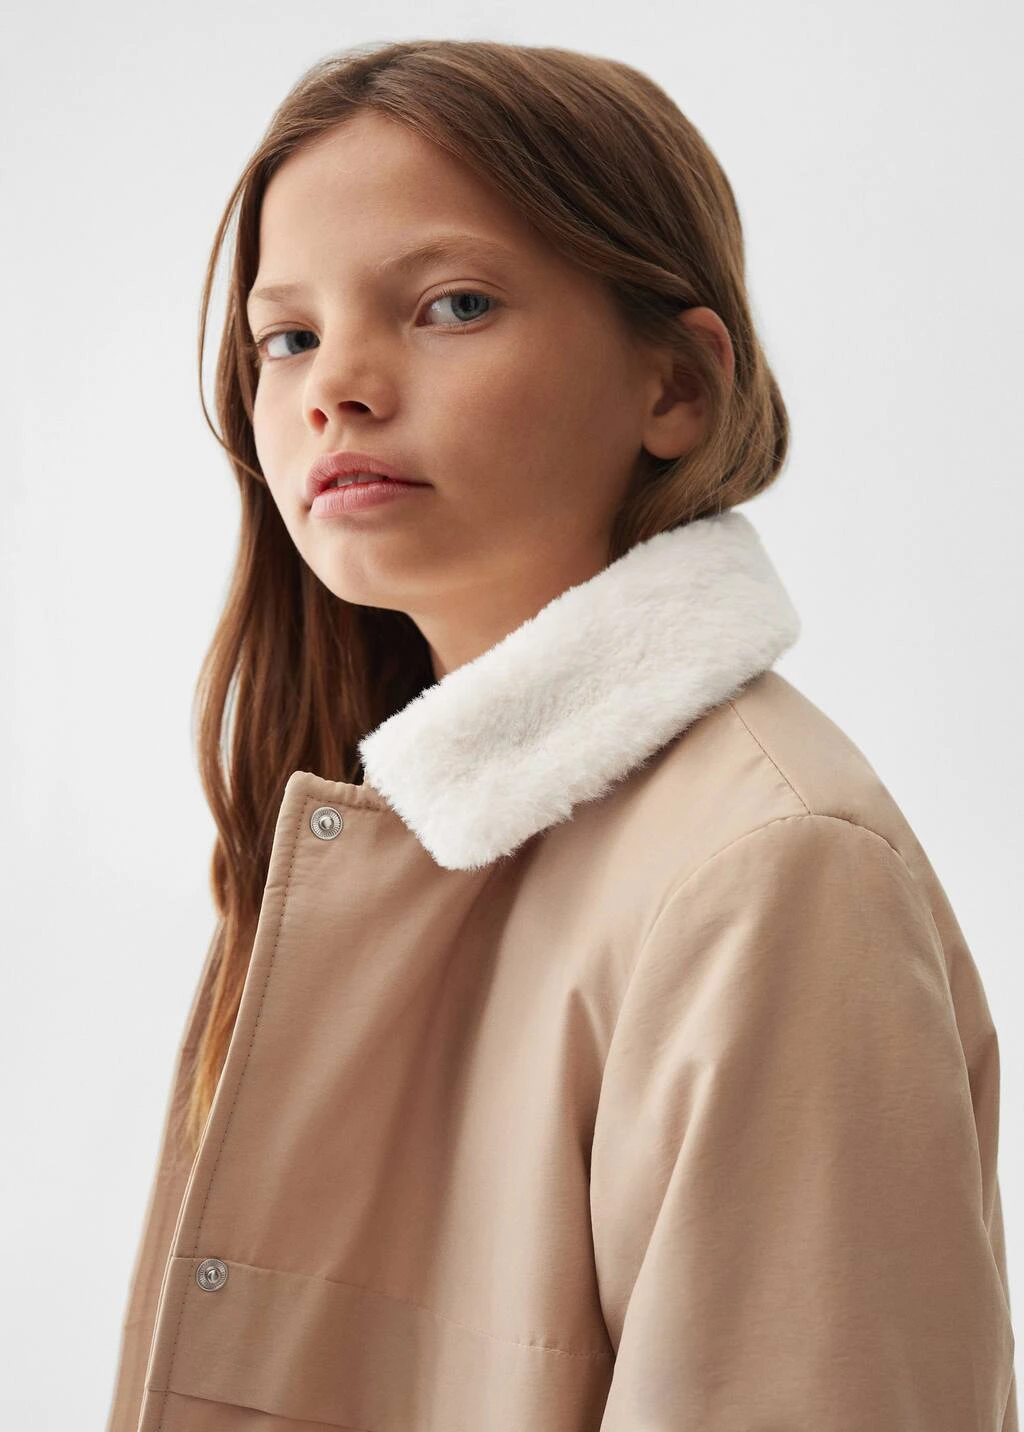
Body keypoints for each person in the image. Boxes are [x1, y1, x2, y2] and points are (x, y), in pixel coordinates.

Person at [105, 38, 1017, 1432]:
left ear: (677, 388)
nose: (336, 385)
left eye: (453, 305)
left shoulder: (772, 872)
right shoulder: (358, 838)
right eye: (287, 336)